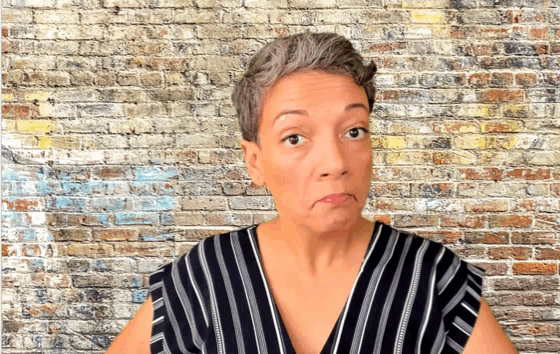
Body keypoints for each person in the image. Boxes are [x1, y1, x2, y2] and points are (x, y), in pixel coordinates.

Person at [105, 32, 518, 354]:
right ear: (255, 161)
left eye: (353, 131)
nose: (335, 162)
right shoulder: (205, 278)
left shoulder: (431, 278)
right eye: (295, 137)